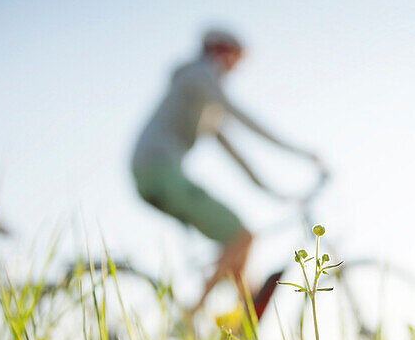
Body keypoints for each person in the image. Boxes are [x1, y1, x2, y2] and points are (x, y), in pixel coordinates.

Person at [131, 29, 323, 314]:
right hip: (158, 171)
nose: (236, 68)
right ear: (223, 53)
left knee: (239, 250)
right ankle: (191, 316)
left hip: (154, 173)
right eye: (237, 59)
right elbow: (242, 117)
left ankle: (238, 333)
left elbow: (236, 154)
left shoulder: (199, 95)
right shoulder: (199, 75)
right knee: (242, 237)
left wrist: (277, 193)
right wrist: (302, 153)